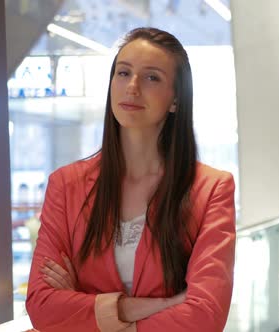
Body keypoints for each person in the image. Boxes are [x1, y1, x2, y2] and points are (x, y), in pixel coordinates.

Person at [25, 27, 236, 332]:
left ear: (176, 99)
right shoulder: (65, 185)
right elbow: (43, 306)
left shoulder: (211, 189)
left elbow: (203, 318)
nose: (132, 87)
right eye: (123, 73)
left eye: (152, 77)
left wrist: (85, 309)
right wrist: (160, 305)